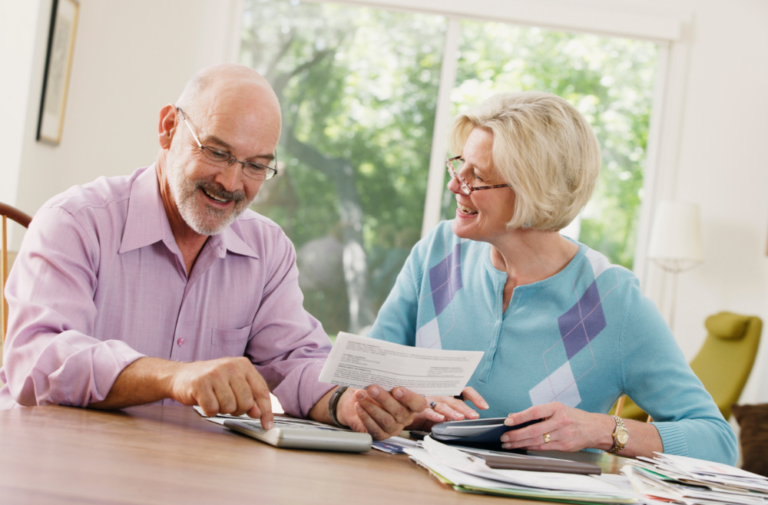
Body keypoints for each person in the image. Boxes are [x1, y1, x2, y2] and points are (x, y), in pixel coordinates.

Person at [0, 63, 425, 439]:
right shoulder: (75, 221)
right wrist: (172, 377)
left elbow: (295, 359)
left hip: (190, 470)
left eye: (256, 165)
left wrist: (346, 402)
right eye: (217, 152)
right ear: (168, 128)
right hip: (60, 456)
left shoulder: (268, 249)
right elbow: (36, 361)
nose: (232, 182)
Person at [367, 91, 737, 463]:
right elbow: (364, 379)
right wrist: (406, 406)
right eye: (459, 166)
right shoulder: (437, 254)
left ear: (533, 190)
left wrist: (601, 430)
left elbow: (718, 441)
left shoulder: (613, 301)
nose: (455, 185)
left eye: (476, 176)